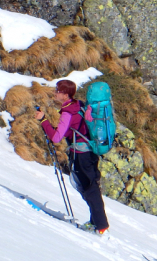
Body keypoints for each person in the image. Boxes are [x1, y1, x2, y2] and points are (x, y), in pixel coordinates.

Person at [35, 79, 109, 234]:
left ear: (65, 94)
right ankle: (96, 223)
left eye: (58, 91)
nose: (55, 93)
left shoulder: (69, 112)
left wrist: (43, 121)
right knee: (92, 186)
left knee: (90, 188)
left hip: (81, 155)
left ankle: (101, 227)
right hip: (91, 151)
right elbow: (73, 129)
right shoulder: (79, 105)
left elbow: (56, 138)